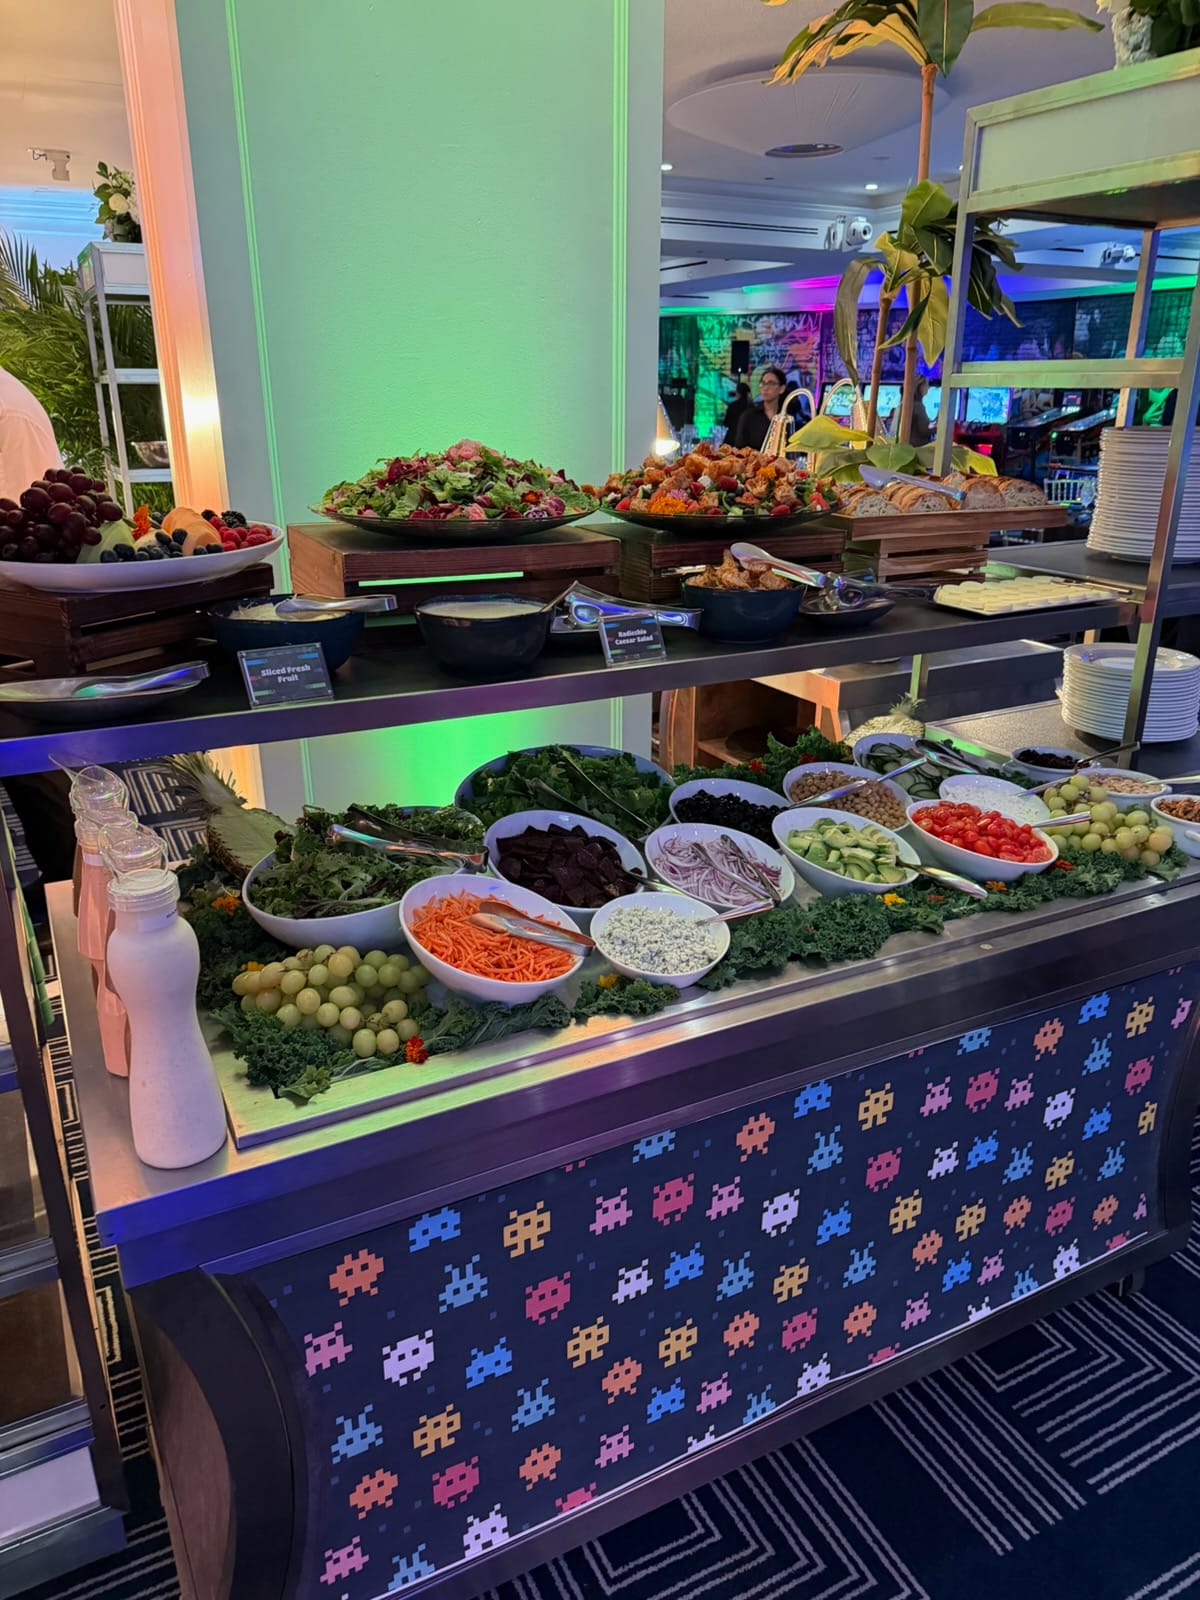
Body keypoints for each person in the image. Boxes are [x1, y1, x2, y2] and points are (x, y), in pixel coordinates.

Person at [0, 366, 75, 889]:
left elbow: (27, 538)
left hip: (13, 623)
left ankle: (72, 898)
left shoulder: (9, 414)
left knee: (37, 767)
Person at [734, 366, 788, 451]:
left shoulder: (787, 419)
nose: (765, 388)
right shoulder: (748, 417)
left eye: (771, 383)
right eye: (763, 383)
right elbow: (739, 449)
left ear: (782, 389)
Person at [907, 375, 934, 448]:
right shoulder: (918, 406)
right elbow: (925, 430)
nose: (929, 388)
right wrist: (937, 423)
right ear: (920, 387)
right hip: (918, 447)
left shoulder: (907, 403)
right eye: (927, 385)